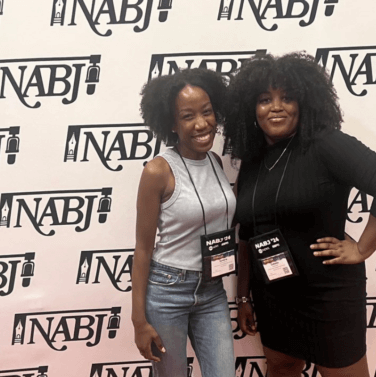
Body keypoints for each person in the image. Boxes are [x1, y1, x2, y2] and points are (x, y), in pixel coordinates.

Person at [224, 53, 376, 377]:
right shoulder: (253, 161)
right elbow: (247, 235)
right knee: (282, 366)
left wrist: (362, 248)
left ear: (305, 102)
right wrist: (243, 296)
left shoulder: (326, 145)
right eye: (265, 99)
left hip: (328, 295)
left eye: (288, 97)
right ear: (251, 109)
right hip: (273, 294)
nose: (277, 106)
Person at [132, 68, 236, 377]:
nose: (202, 124)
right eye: (188, 116)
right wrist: (139, 321)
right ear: (172, 124)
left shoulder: (216, 163)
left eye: (207, 112)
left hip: (212, 289)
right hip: (167, 290)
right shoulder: (158, 171)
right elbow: (142, 248)